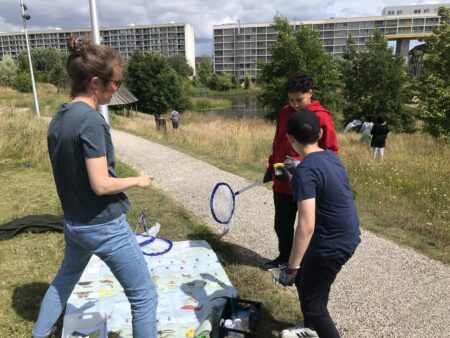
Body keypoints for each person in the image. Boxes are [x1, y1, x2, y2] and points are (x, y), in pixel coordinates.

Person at [32, 36, 158, 338]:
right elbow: (101, 184)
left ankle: (39, 334)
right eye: (114, 82)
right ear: (94, 82)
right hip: (102, 226)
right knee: (144, 296)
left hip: (75, 224)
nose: (117, 89)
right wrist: (138, 180)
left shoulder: (58, 118)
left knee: (64, 281)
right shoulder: (91, 121)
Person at [278, 109, 360, 338]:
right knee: (304, 280)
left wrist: (290, 267)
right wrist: (292, 178)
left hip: (331, 243)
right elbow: (320, 189)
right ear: (320, 133)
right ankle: (309, 327)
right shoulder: (331, 157)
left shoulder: (306, 170)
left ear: (290, 139)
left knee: (315, 305)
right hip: (346, 234)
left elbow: (306, 226)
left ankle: (314, 321)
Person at [262, 73, 338, 270]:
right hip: (282, 182)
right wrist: (272, 166)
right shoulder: (285, 112)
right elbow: (278, 142)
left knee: (306, 226)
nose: (295, 104)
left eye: (299, 100)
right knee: (282, 225)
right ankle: (284, 257)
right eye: (291, 100)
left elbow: (331, 150)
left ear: (310, 93)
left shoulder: (321, 117)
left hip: (307, 184)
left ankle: (302, 263)